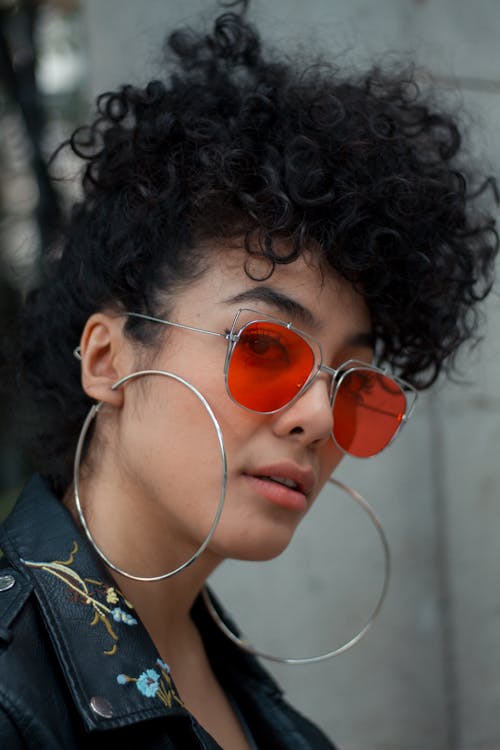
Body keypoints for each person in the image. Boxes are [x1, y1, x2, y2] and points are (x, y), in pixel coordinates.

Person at [0, 4, 497, 748]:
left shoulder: (260, 706)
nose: (320, 421)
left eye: (353, 382)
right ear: (108, 359)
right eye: (267, 348)